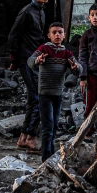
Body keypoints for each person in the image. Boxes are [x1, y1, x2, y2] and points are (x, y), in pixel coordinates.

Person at [9, 0, 52, 152]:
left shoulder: (41, 11)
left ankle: (23, 137)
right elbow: (13, 36)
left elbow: (38, 38)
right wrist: (14, 60)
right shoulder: (26, 12)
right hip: (26, 59)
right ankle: (31, 136)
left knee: (32, 98)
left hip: (35, 60)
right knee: (37, 97)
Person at [27, 22, 79, 160]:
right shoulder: (44, 49)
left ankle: (50, 157)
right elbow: (30, 61)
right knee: (48, 127)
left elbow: (78, 67)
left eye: (60, 32)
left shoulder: (66, 52)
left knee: (54, 126)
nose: (57, 35)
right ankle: (46, 159)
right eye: (54, 32)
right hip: (44, 94)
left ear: (64, 35)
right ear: (49, 35)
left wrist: (75, 67)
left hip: (58, 94)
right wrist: (37, 60)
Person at [78, 4, 97, 119]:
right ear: (89, 17)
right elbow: (82, 57)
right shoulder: (87, 35)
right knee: (90, 105)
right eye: (92, 15)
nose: (95, 18)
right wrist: (83, 77)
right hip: (92, 74)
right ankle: (88, 134)